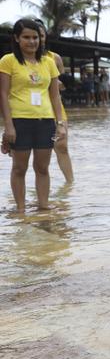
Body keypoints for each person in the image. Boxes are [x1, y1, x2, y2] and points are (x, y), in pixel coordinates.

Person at [0, 18, 67, 213]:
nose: (32, 42)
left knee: (42, 167)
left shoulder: (48, 62)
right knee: (20, 168)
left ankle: (43, 205)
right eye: (26, 37)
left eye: (35, 37)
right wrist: (9, 126)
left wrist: (60, 123)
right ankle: (21, 209)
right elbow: (3, 94)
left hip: (45, 121)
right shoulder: (7, 61)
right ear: (17, 38)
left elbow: (54, 95)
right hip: (20, 121)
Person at [36, 21, 74, 183]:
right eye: (32, 36)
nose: (37, 40)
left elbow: (63, 85)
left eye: (41, 36)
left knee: (62, 146)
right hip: (31, 109)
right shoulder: (16, 59)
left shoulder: (55, 58)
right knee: (33, 151)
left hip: (55, 106)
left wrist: (60, 84)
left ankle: (70, 184)